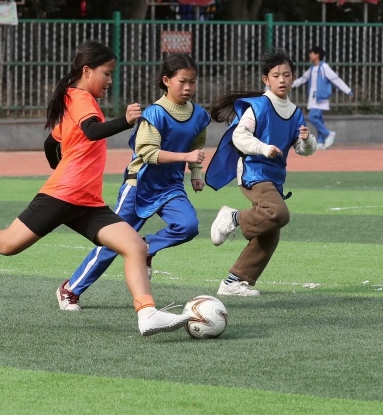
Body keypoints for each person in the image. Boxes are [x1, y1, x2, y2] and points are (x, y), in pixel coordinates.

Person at [0, 40, 191, 336]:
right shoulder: (79, 97)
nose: (110, 81)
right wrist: (125, 121)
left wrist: (64, 167)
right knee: (6, 244)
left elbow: (51, 143)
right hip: (64, 195)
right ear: (87, 71)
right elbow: (91, 131)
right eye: (106, 73)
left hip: (86, 201)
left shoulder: (77, 101)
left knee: (135, 246)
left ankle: (147, 314)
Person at [56, 53, 210, 310]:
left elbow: (197, 145)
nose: (188, 87)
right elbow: (148, 154)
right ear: (166, 81)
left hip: (171, 187)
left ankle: (147, 247)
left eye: (192, 82)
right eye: (182, 81)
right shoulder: (155, 114)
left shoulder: (199, 116)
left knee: (188, 226)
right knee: (113, 243)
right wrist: (186, 157)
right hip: (139, 186)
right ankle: (71, 289)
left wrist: (195, 173)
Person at [205, 47, 317, 297]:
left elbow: (303, 150)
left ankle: (233, 282)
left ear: (293, 77)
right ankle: (232, 218)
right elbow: (239, 136)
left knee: (270, 234)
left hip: (274, 178)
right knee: (278, 213)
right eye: (276, 75)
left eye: (286, 75)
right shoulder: (258, 107)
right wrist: (264, 148)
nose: (282, 80)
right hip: (253, 172)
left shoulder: (295, 112)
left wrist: (307, 141)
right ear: (266, 79)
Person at [290, 46, 352, 150]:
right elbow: (302, 79)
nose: (310, 55)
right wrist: (289, 84)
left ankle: (328, 134)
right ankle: (320, 142)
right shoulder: (312, 69)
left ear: (317, 55)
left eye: (312, 53)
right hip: (313, 98)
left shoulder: (324, 68)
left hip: (321, 98)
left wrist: (348, 91)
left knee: (312, 117)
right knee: (319, 119)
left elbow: (336, 79)